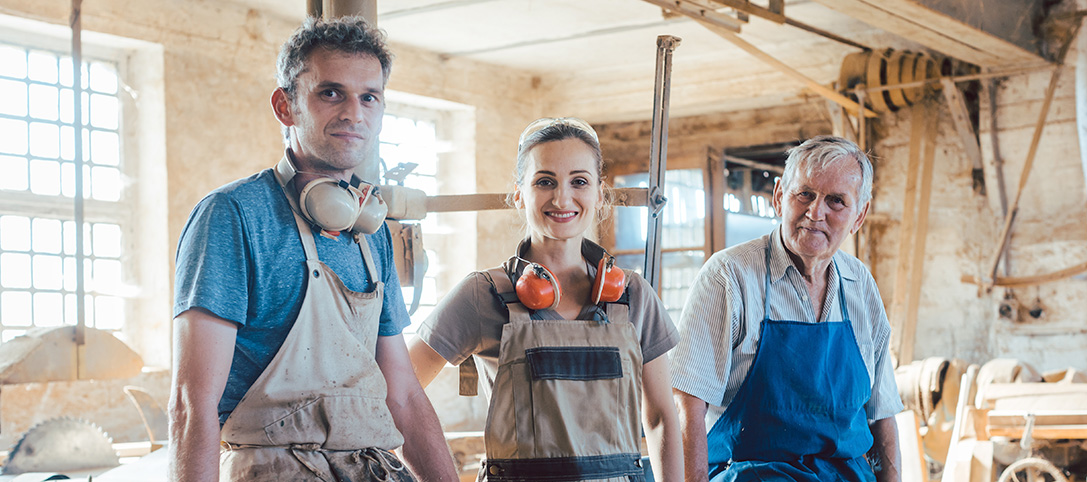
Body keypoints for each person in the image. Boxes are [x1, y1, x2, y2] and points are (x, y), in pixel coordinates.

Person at [169, 17, 459, 482]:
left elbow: (402, 393)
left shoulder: (371, 230)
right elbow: (192, 402)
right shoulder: (233, 216)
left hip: (372, 469)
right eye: (330, 93)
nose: (354, 113)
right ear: (285, 106)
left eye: (369, 97)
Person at [407, 117, 685, 482]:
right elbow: (398, 394)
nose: (562, 198)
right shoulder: (483, 294)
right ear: (519, 194)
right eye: (545, 182)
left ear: (600, 194)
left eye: (579, 181)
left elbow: (661, 417)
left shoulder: (632, 296)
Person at [671, 135, 904, 482]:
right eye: (805, 194)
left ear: (859, 215)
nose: (816, 212)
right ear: (780, 196)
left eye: (836, 201)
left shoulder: (860, 285)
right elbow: (688, 408)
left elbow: (881, 414)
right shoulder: (729, 277)